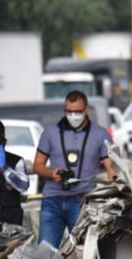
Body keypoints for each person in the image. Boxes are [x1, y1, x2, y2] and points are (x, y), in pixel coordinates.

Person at [33, 90, 116, 248]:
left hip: (82, 201)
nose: (73, 115)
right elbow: (38, 165)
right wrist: (51, 173)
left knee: (84, 251)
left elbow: (112, 168)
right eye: (69, 111)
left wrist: (113, 194)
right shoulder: (51, 132)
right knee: (45, 252)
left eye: (77, 111)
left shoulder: (100, 134)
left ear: (86, 110)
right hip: (52, 200)